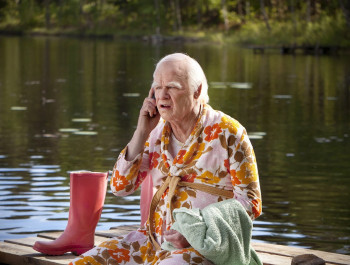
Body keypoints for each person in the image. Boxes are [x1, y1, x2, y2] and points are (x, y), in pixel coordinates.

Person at [69, 53, 262, 265]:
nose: (162, 95)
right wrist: (141, 132)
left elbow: (251, 203)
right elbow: (119, 187)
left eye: (172, 87)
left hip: (204, 247)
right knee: (88, 261)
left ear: (197, 91)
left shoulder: (229, 133)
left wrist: (196, 231)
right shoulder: (155, 132)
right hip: (152, 241)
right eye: (157, 87)